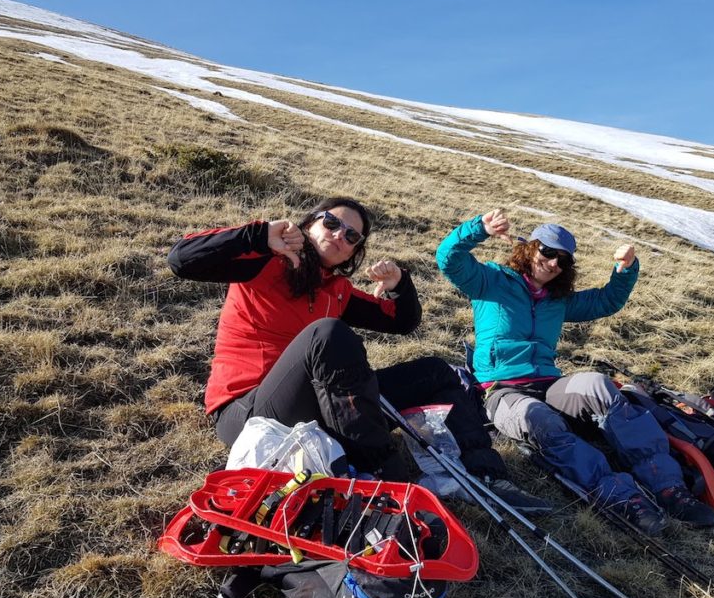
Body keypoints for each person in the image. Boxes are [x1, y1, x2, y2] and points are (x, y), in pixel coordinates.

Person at [168, 197, 549, 513]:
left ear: (354, 250)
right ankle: (382, 469)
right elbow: (182, 259)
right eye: (331, 223)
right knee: (327, 334)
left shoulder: (336, 290)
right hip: (247, 414)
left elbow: (401, 321)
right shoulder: (264, 260)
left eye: (351, 235)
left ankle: (484, 475)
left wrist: (400, 284)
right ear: (310, 223)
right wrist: (257, 234)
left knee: (435, 372)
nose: (338, 235)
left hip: (315, 407)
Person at [436, 209, 714, 534]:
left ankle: (670, 488)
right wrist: (478, 229)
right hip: (503, 391)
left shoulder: (558, 301)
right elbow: (448, 258)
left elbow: (606, 301)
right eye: (548, 252)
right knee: (540, 420)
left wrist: (625, 269)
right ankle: (623, 498)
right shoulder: (490, 281)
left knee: (598, 385)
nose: (554, 263)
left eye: (564, 260)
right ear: (530, 248)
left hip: (551, 385)